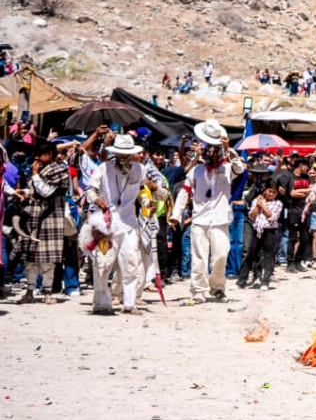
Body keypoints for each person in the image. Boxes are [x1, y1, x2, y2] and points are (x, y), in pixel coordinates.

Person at [169, 120, 245, 304]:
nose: (212, 153)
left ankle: (217, 287)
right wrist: (176, 214)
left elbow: (240, 169)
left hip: (220, 218)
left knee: (220, 255)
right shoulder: (195, 171)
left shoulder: (227, 169)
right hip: (200, 219)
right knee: (199, 256)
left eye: (215, 149)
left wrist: (229, 151)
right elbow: (184, 193)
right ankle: (198, 290)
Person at [83, 135, 159, 314]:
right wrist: (96, 199)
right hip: (106, 223)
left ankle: (129, 304)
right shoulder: (103, 168)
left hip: (129, 223)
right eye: (120, 154)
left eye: (127, 154)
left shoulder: (140, 170)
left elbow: (142, 190)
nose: (124, 157)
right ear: (115, 153)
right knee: (103, 263)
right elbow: (90, 190)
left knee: (131, 262)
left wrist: (148, 203)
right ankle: (102, 304)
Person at [12, 143, 71, 304]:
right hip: (33, 218)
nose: (37, 158)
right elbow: (35, 191)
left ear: (50, 155)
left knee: (47, 259)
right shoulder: (40, 170)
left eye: (41, 155)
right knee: (30, 258)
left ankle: (47, 292)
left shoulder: (60, 171)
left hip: (50, 218)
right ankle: (29, 292)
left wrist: (35, 175)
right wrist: (22, 193)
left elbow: (47, 192)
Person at [245, 184, 282, 290]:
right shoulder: (256, 201)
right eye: (269, 191)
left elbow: (272, 217)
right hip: (257, 230)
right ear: (265, 191)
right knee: (254, 254)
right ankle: (256, 276)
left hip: (270, 231)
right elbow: (252, 216)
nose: (271, 194)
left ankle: (266, 280)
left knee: (268, 256)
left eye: (274, 192)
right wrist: (258, 205)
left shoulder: (277, 203)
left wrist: (262, 206)